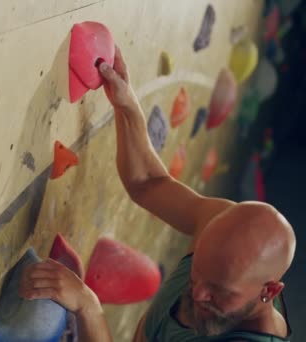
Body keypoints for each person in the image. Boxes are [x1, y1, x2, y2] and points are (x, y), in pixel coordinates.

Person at [19, 46, 296, 341]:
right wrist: (127, 108)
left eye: (219, 290)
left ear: (270, 291)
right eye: (197, 270)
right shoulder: (222, 229)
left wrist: (88, 307)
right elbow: (148, 183)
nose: (198, 291)